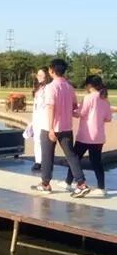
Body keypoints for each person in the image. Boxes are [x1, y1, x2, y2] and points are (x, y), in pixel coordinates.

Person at [33, 58, 90, 197]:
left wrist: (51, 128)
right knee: (71, 156)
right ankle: (81, 183)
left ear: (51, 71)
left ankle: (45, 184)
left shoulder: (51, 87)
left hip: (50, 127)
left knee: (47, 156)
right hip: (66, 127)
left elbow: (50, 107)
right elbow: (74, 106)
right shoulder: (69, 87)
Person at [61, 75, 111, 197]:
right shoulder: (105, 99)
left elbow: (80, 113)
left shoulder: (89, 98)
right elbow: (108, 118)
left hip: (85, 135)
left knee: (74, 159)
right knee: (97, 162)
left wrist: (70, 110)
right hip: (98, 136)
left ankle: (68, 182)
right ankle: (101, 188)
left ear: (89, 85)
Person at [29, 68, 51, 171]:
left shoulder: (49, 88)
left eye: (41, 75)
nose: (39, 77)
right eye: (38, 75)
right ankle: (38, 161)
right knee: (37, 139)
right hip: (37, 117)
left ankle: (45, 162)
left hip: (45, 117)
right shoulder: (38, 88)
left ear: (47, 76)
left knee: (45, 141)